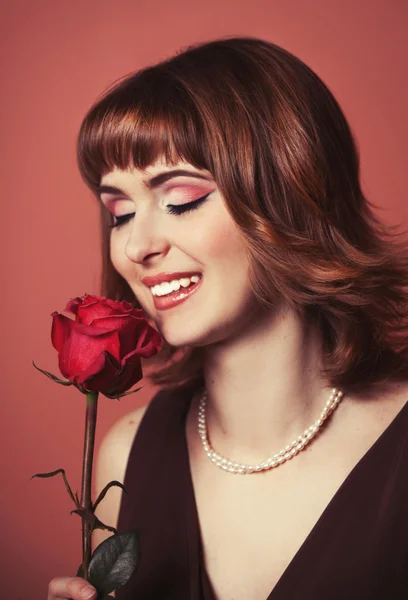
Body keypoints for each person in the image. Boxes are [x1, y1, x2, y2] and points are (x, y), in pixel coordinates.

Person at [47, 37, 408, 600]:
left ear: (291, 193)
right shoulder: (125, 455)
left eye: (181, 199)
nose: (137, 246)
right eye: (119, 211)